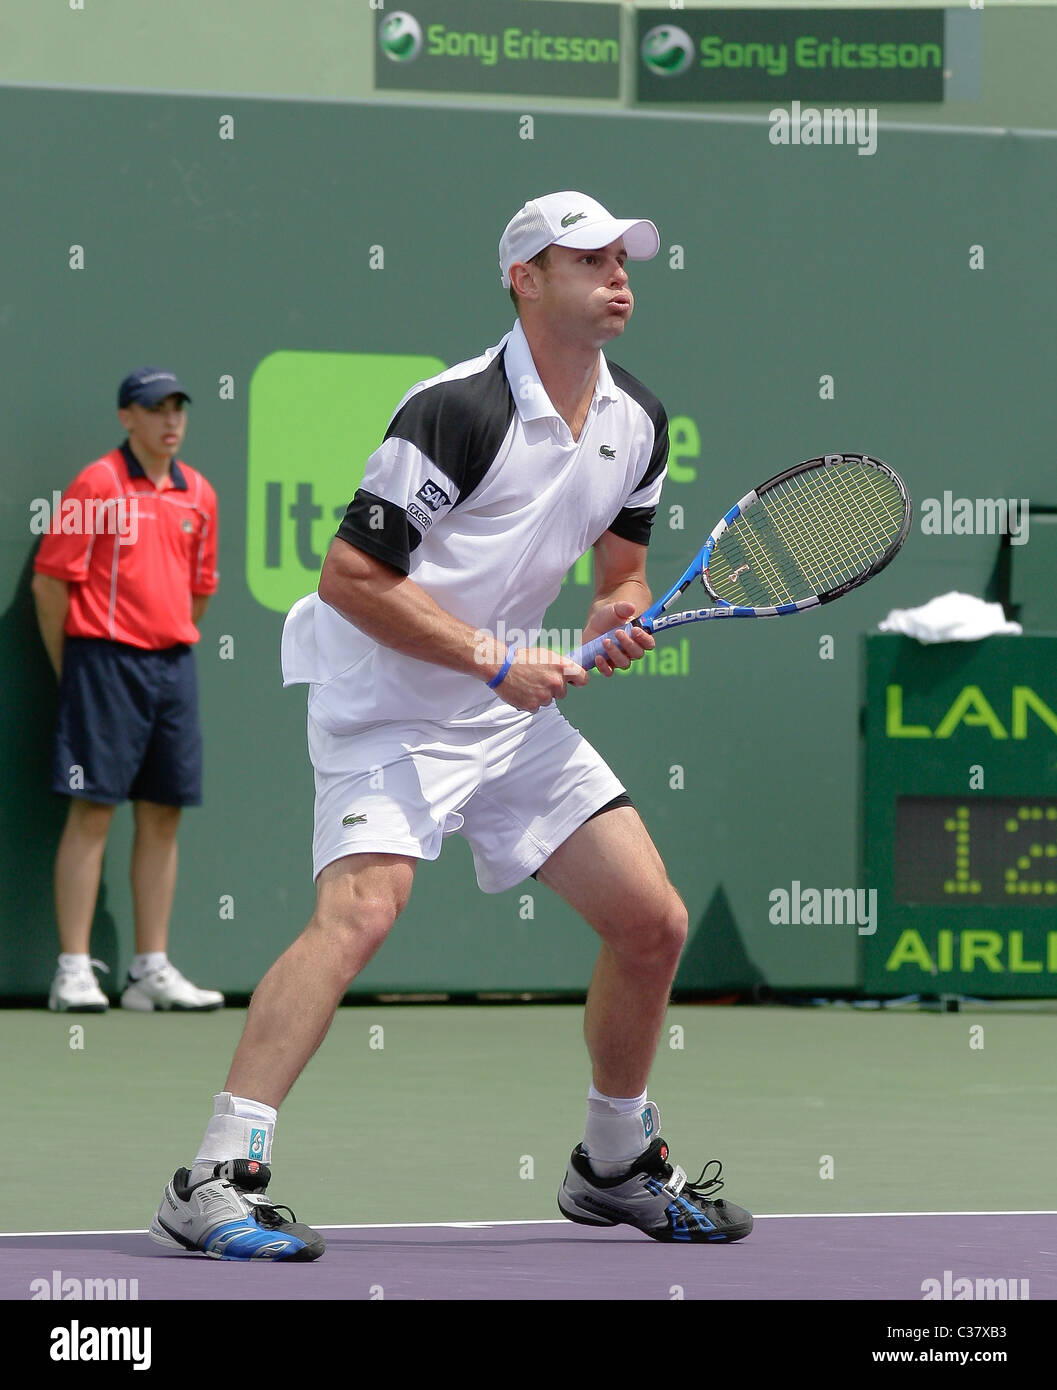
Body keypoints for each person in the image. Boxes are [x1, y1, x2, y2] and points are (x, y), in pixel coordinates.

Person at [148, 193, 752, 1262]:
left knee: (651, 920)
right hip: (384, 699)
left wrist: (616, 618)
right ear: (524, 278)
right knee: (362, 912)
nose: (618, 277)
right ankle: (212, 1177)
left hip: (508, 717)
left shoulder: (637, 421)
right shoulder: (453, 411)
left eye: (624, 259)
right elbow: (347, 577)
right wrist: (493, 657)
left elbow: (621, 574)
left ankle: (611, 1163)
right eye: (587, 260)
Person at [32, 367, 224, 1014]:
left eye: (178, 409)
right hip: (101, 664)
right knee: (92, 811)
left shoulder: (200, 494)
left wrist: (164, 637)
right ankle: (73, 970)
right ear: (126, 418)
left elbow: (199, 593)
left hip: (173, 668)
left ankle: (149, 970)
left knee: (163, 813)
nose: (170, 421)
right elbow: (50, 582)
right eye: (154, 408)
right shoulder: (98, 483)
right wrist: (76, 669)